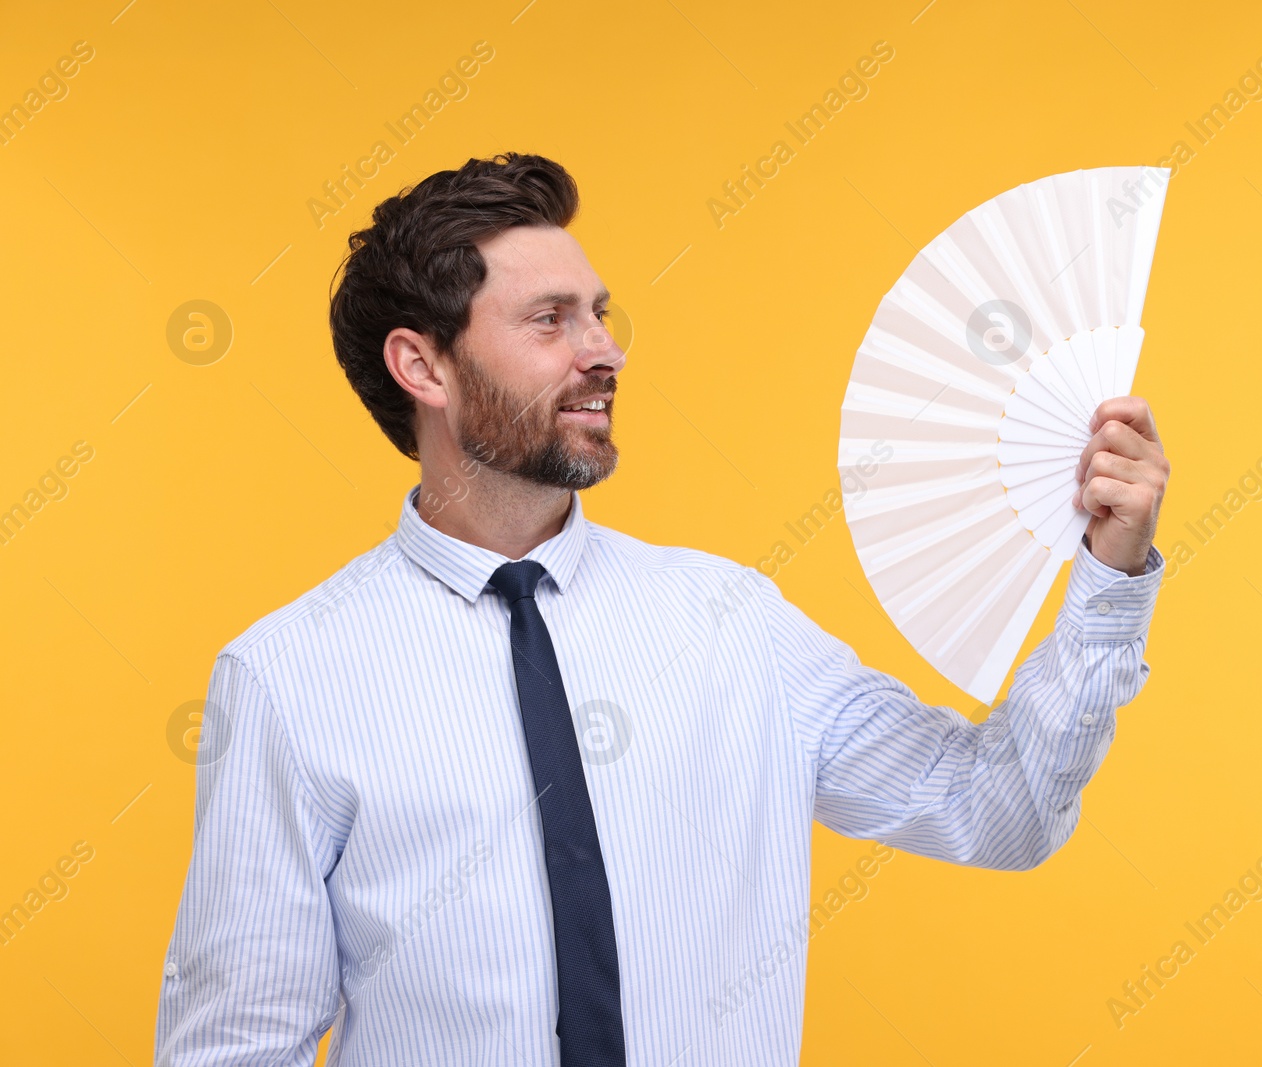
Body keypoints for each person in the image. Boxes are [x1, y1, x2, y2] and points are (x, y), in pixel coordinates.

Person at [154, 152, 1170, 1066]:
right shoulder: (289, 675)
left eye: (598, 312)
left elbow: (1000, 809)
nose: (605, 350)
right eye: (551, 319)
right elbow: (236, 1044)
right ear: (422, 365)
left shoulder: (730, 621)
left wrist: (1106, 578)